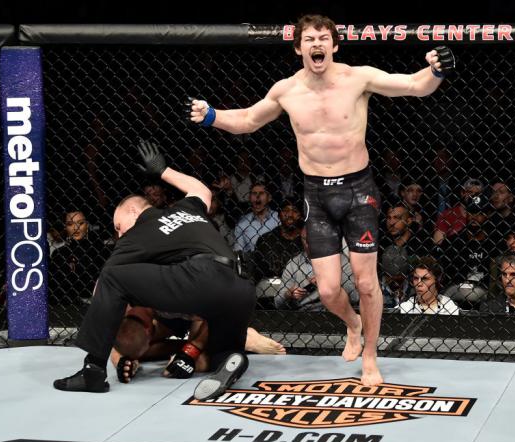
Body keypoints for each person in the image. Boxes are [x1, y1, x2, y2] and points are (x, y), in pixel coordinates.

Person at [189, 14, 454, 385]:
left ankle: (371, 357)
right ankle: (352, 323)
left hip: (359, 191)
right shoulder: (286, 90)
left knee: (365, 284)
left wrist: (437, 71)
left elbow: (412, 85)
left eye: (324, 37)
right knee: (329, 290)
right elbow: (249, 119)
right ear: (299, 48)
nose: (318, 44)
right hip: (317, 193)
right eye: (310, 38)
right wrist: (211, 116)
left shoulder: (357, 77)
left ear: (334, 45)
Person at [54, 140, 256, 401]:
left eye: (118, 226)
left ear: (132, 211)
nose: (118, 233)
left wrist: (112, 316)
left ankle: (93, 371)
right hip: (241, 288)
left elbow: (103, 284)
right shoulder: (184, 208)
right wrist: (163, 171)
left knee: (112, 278)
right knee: (224, 352)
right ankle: (233, 360)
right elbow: (202, 191)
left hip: (201, 278)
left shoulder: (137, 233)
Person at [112, 306, 286, 383]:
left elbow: (211, 308)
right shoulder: (121, 275)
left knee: (200, 362)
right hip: (164, 314)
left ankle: (242, 338)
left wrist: (190, 352)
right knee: (139, 348)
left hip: (202, 312)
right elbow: (120, 336)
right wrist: (122, 360)